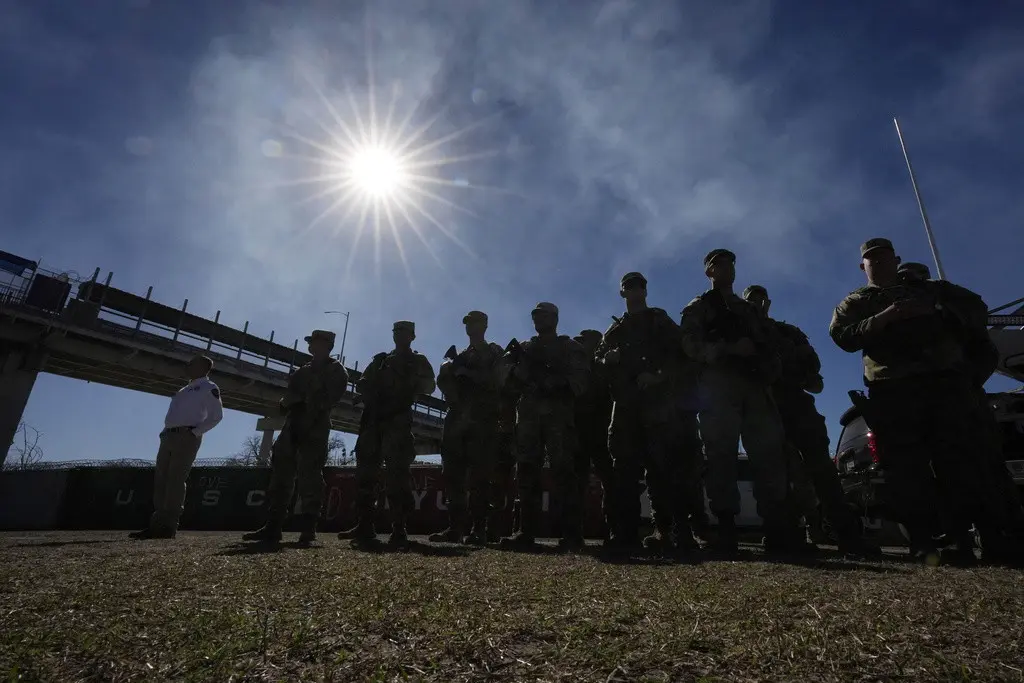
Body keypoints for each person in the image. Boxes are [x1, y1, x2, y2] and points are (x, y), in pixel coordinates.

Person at [829, 238, 1003, 564]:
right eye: (871, 260)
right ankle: (922, 541)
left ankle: (960, 539)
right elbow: (843, 336)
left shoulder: (933, 290)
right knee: (906, 471)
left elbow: (977, 310)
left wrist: (936, 310)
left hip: (944, 387)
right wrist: (885, 318)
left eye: (883, 258)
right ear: (862, 266)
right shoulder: (856, 301)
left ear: (896, 259)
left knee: (959, 463)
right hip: (893, 391)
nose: (878, 264)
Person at [680, 250, 807, 554]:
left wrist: (767, 367)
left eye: (730, 263)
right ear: (708, 271)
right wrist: (729, 348)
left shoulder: (749, 310)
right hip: (720, 385)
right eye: (718, 264)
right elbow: (689, 345)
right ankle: (726, 528)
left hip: (755, 387)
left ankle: (776, 528)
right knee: (721, 456)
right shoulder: (699, 307)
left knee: (768, 455)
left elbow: (769, 344)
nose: (726, 268)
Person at [742, 285, 880, 557]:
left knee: (822, 472)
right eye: (751, 300)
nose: (756, 304)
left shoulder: (787, 332)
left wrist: (795, 374)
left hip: (796, 405)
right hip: (762, 407)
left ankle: (846, 535)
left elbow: (812, 369)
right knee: (774, 474)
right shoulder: (741, 332)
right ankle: (781, 534)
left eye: (760, 299)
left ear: (768, 302)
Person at [596, 272, 702, 554]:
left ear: (645, 289)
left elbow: (681, 355)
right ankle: (626, 532)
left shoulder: (659, 319)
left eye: (638, 285)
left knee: (664, 467)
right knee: (625, 469)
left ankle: (674, 531)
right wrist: (608, 359)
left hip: (657, 402)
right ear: (622, 293)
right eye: (628, 286)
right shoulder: (615, 330)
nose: (634, 289)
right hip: (626, 405)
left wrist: (658, 377)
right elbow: (599, 360)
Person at [242, 330, 349, 546]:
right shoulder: (302, 371)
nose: (310, 345)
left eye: (314, 342)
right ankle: (273, 526)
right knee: (281, 474)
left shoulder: (336, 370)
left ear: (326, 344)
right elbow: (288, 399)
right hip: (292, 425)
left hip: (315, 426)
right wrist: (287, 402)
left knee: (310, 475)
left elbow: (329, 399)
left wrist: (300, 398)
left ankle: (309, 528)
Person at [499, 302, 589, 550]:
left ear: (555, 318)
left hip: (558, 417)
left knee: (564, 473)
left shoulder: (569, 347)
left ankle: (572, 533)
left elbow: (581, 381)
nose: (538, 319)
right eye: (535, 316)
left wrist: (555, 383)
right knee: (526, 472)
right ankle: (525, 531)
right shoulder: (525, 348)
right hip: (528, 416)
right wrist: (516, 373)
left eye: (543, 315)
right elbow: (505, 379)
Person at [347, 321, 436, 549]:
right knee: (366, 473)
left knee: (397, 475)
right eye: (396, 331)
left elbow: (429, 386)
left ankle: (399, 527)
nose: (399, 335)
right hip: (374, 420)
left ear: (413, 336)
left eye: (404, 332)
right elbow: (362, 383)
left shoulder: (418, 360)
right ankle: (364, 524)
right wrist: (367, 390)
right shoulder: (380, 359)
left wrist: (409, 382)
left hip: (397, 419)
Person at [430, 311, 505, 545]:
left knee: (480, 475)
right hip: (457, 417)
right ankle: (455, 527)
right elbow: (443, 384)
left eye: (475, 322)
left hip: (482, 418)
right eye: (468, 323)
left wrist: (470, 373)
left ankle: (479, 528)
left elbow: (499, 381)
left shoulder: (494, 352)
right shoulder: (458, 356)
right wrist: (447, 377)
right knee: (453, 473)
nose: (470, 327)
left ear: (485, 325)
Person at [130, 354, 223, 540]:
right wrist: (165, 431)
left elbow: (216, 416)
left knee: (176, 479)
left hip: (186, 436)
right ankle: (156, 524)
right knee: (162, 479)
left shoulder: (208, 387)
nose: (187, 365)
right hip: (168, 435)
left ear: (203, 368)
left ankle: (168, 525)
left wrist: (195, 433)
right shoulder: (183, 389)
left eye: (192, 363)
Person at [572, 329, 615, 540]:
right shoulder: (575, 369)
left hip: (601, 431)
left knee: (609, 480)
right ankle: (573, 531)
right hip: (579, 431)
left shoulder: (604, 368)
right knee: (576, 481)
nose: (580, 345)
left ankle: (614, 529)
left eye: (584, 342)